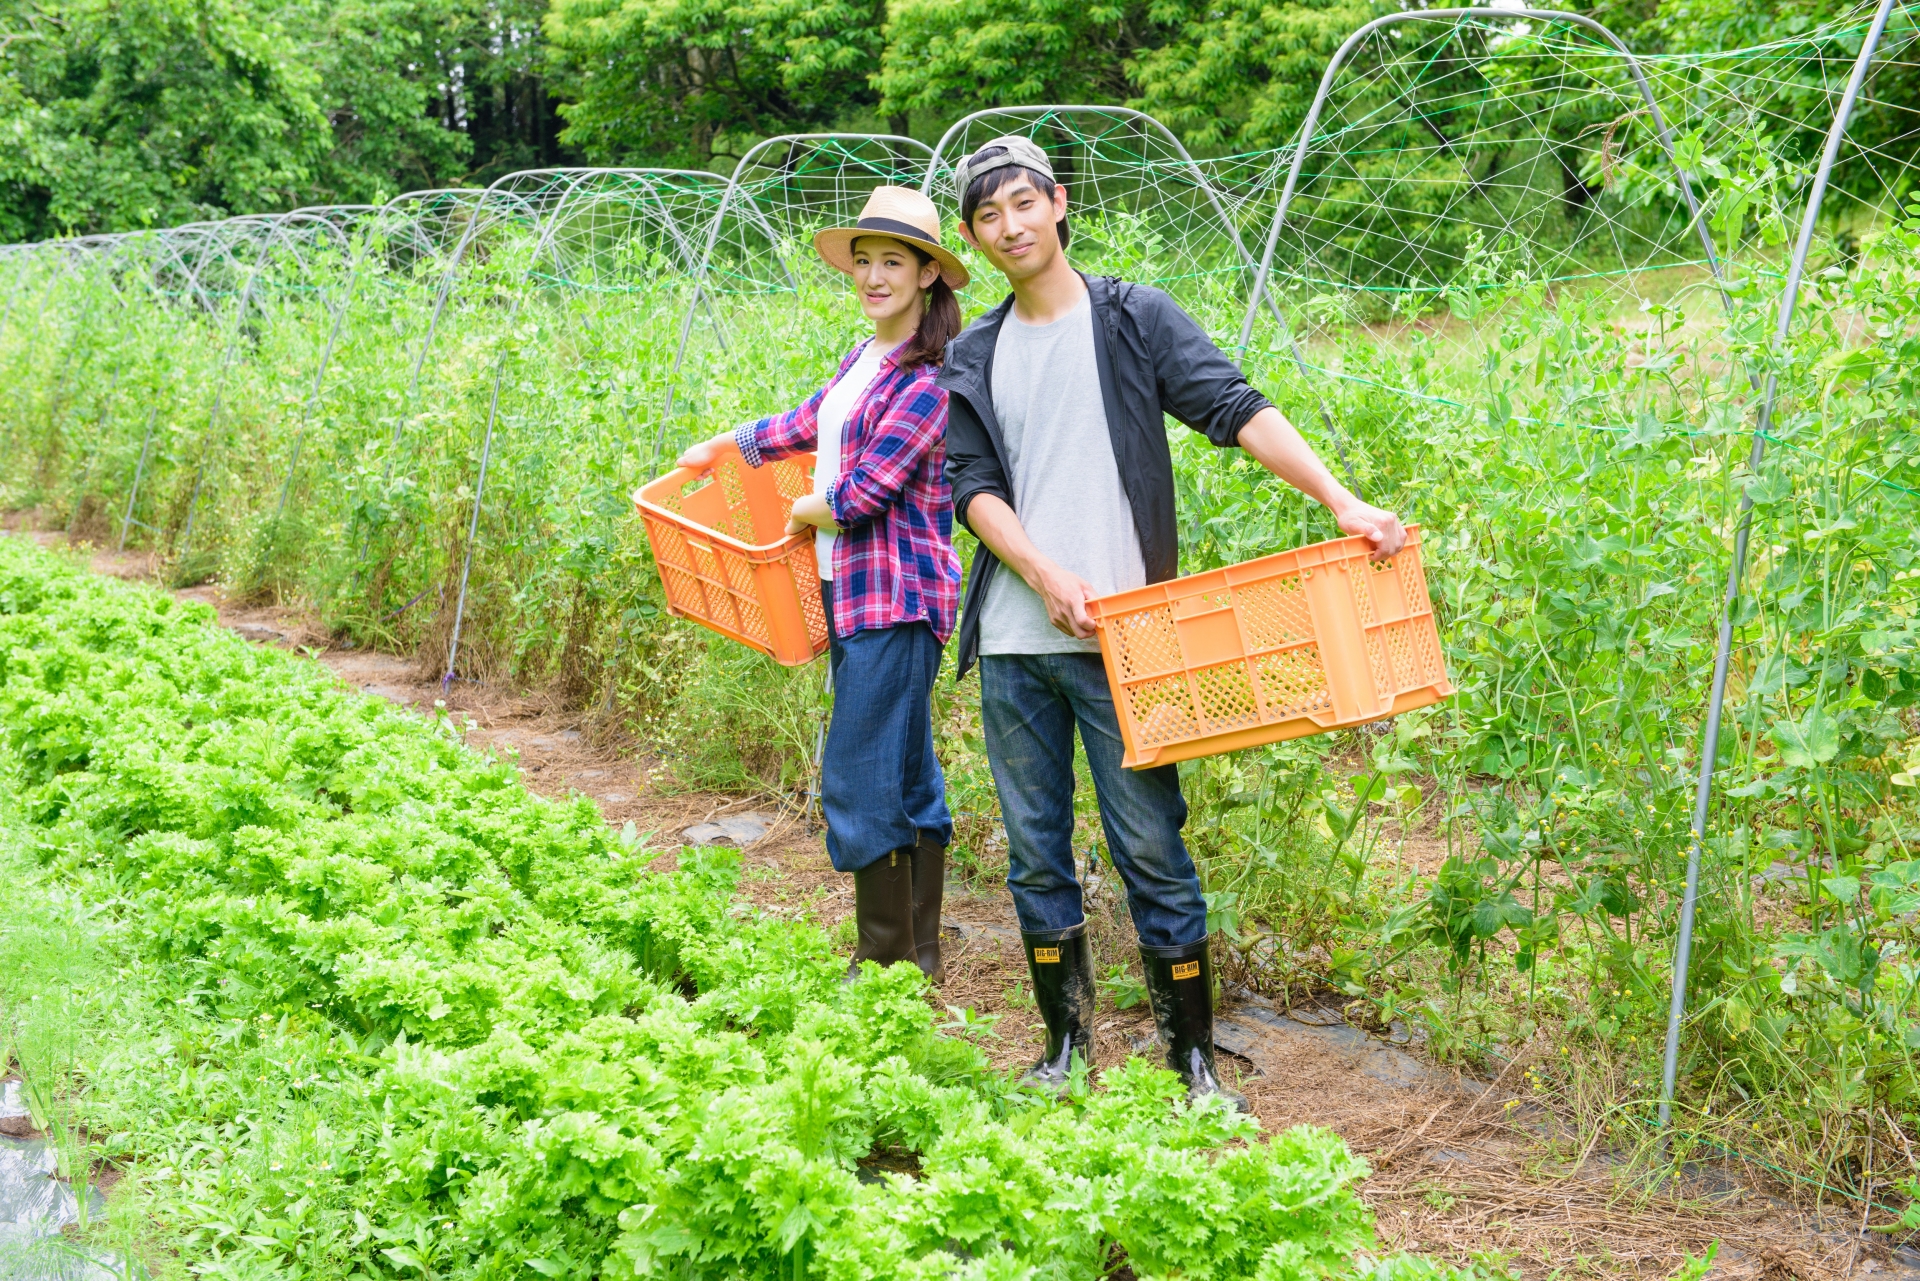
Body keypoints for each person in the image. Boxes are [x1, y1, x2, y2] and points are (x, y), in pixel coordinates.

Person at [940, 137, 1407, 1107]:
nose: (1011, 226)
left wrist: (1342, 501)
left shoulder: (1130, 317)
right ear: (974, 236)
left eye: (1024, 203)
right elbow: (973, 487)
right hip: (1020, 648)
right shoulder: (974, 352)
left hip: (1130, 640)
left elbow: (1233, 406)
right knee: (1035, 850)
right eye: (988, 215)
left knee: (1149, 841)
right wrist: (1040, 570)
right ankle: (1064, 1049)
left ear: (1059, 204)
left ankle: (1191, 1062)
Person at [677, 186, 966, 982]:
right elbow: (812, 421)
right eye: (865, 262)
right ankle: (919, 953)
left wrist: (802, 510)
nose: (874, 277)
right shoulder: (866, 355)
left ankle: (881, 959)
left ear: (928, 276)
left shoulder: (931, 377)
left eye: (893, 264)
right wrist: (724, 446)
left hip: (898, 595)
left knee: (859, 770)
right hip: (853, 590)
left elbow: (861, 494)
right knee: (904, 766)